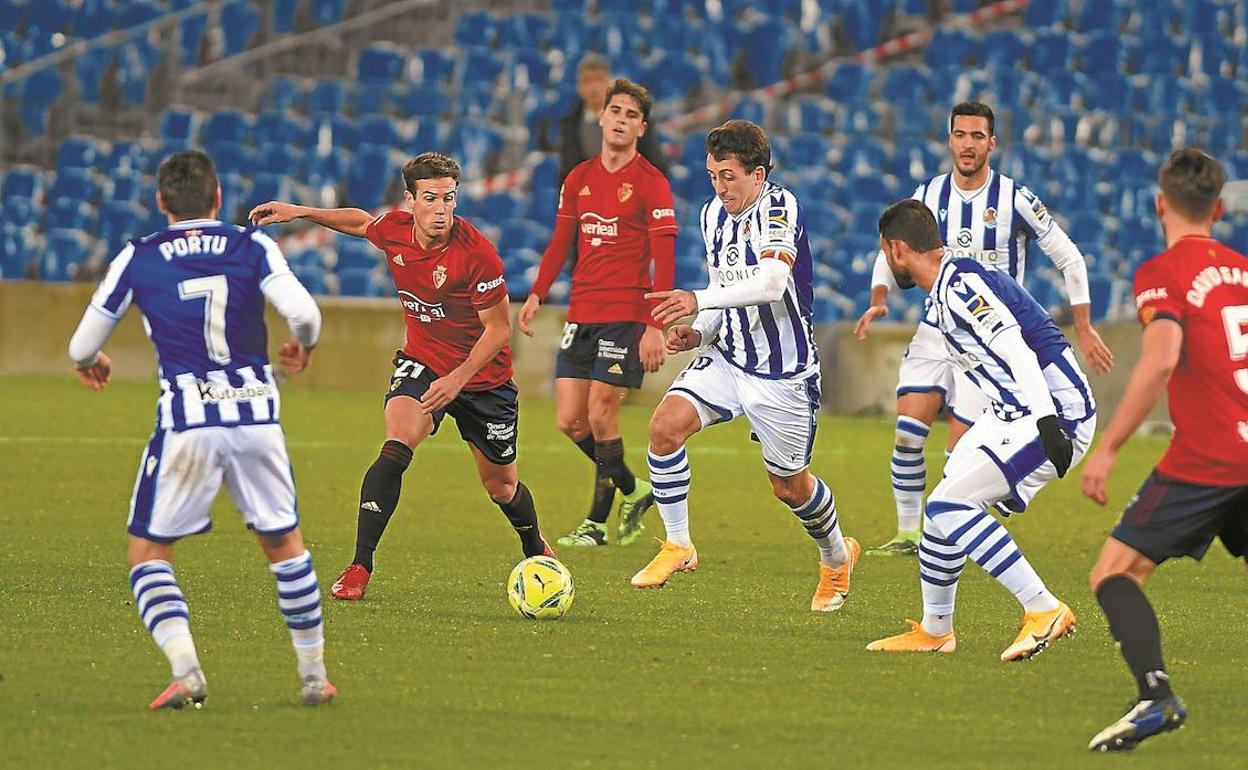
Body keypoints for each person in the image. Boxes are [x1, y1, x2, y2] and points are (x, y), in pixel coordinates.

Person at [67, 150, 335, 708]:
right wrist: (302, 347)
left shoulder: (138, 256)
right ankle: (314, 676)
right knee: (284, 543)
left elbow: (81, 346)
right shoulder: (251, 244)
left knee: (148, 552)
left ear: (162, 202)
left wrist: (93, 360)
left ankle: (187, 671)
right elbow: (307, 316)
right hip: (256, 413)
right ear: (217, 198)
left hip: (188, 418)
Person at [249, 152, 555, 602]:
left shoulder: (477, 254)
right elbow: (359, 223)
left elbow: (498, 329)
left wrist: (458, 380)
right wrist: (302, 212)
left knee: (501, 486)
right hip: (423, 361)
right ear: (410, 200)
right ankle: (359, 565)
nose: (442, 210)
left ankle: (534, 547)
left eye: (449, 199)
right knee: (397, 443)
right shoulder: (395, 229)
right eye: (430, 198)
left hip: (483, 379)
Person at [854, 101, 1114, 557]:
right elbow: (890, 248)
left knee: (963, 453)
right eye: (960, 135)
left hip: (989, 341)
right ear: (949, 140)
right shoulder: (929, 194)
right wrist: (880, 299)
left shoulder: (1015, 198)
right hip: (938, 331)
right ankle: (909, 534)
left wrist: (1085, 324)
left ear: (991, 143)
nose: (968, 144)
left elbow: (1069, 256)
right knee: (908, 433)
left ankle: (955, 528)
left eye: (978, 136)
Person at [631, 119, 860, 612]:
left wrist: (696, 299)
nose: (720, 187)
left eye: (730, 176)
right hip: (729, 354)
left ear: (758, 174)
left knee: (789, 487)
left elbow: (772, 282)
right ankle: (679, 544)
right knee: (664, 428)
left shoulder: (779, 207)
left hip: (782, 372)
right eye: (713, 175)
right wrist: (702, 330)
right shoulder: (713, 214)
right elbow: (728, 286)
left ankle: (836, 555)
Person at [866, 198, 1095, 661]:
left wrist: (1050, 423)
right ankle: (935, 631)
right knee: (941, 508)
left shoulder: (961, 287)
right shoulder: (952, 281)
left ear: (896, 250)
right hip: (1012, 410)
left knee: (952, 505)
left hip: (1053, 411)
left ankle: (1043, 609)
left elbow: (1017, 350)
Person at [1079, 149, 1248, 752]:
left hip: (1207, 461)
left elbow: (1162, 358)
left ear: (1159, 203)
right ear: (1221, 208)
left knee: (1113, 573)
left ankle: (1155, 697)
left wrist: (1108, 449)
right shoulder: (1243, 270)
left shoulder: (1163, 271)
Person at [519, 79, 677, 548]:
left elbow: (665, 257)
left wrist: (655, 324)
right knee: (570, 421)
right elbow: (559, 242)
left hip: (627, 313)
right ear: (603, 117)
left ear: (641, 127)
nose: (622, 120)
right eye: (616, 111)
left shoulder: (651, 183)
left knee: (602, 414)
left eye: (632, 114)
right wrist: (536, 294)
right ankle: (635, 488)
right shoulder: (579, 178)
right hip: (581, 311)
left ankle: (595, 525)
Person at [555, 54, 670, 182]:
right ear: (579, 87)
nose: (594, 87)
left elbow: (657, 167)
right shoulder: (569, 125)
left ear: (610, 84)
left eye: (599, 80)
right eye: (587, 81)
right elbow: (566, 176)